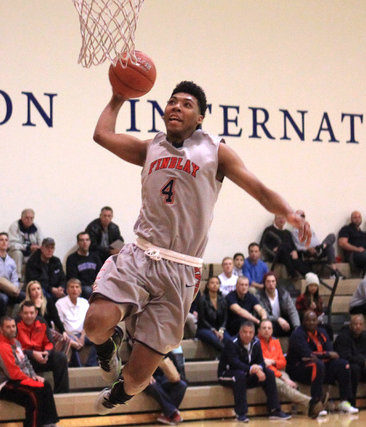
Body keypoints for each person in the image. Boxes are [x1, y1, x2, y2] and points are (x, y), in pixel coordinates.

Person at [85, 81, 310, 414]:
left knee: (135, 378)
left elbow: (259, 189)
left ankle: (122, 391)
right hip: (142, 252)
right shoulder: (152, 146)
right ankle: (110, 345)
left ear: (201, 117)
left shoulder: (215, 151)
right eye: (172, 102)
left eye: (186, 104)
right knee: (94, 324)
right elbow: (102, 135)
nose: (176, 107)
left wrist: (288, 212)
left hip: (180, 269)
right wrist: (118, 97)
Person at [0, 316, 60, 427]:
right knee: (33, 395)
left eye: (13, 326)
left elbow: (26, 363)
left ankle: (49, 423)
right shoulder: (1, 346)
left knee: (45, 385)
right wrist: (31, 380)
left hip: (15, 380)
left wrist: (34, 376)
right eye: (8, 327)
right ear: (1, 329)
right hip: (1, 385)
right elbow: (13, 373)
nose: (12, 329)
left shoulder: (16, 343)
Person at [218, 321, 291, 422]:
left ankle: (275, 410)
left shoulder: (256, 343)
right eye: (244, 332)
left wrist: (259, 368)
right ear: (239, 332)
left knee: (269, 373)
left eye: (250, 332)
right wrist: (253, 369)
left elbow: (261, 361)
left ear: (254, 333)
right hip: (227, 374)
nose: (247, 335)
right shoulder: (231, 343)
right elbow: (235, 363)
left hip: (246, 374)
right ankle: (241, 413)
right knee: (240, 374)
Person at [286, 311, 357, 414]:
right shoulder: (297, 334)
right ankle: (316, 403)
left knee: (343, 364)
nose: (311, 322)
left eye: (313, 320)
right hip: (298, 368)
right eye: (308, 320)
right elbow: (307, 354)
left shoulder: (322, 332)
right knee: (317, 365)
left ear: (317, 321)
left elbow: (330, 351)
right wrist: (326, 355)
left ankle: (344, 402)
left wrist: (323, 355)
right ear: (304, 322)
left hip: (320, 365)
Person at [257, 319, 325, 419]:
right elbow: (266, 366)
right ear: (259, 330)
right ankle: (312, 402)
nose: (267, 330)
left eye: (269, 328)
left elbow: (283, 362)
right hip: (266, 373)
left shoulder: (275, 341)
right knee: (285, 385)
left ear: (272, 330)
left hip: (278, 370)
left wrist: (274, 362)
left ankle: (310, 410)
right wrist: (284, 378)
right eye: (264, 328)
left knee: (291, 385)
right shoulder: (256, 344)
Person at [16, 301, 69, 393]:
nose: (29, 316)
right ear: (21, 314)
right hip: (25, 358)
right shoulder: (16, 324)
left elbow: (50, 343)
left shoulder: (42, 322)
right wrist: (32, 353)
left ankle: (61, 393)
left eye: (31, 313)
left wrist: (47, 353)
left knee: (61, 358)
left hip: (42, 356)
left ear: (36, 313)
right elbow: (14, 348)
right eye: (26, 313)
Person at [56, 278, 96, 367]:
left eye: (77, 287)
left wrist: (82, 336)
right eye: (72, 287)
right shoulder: (60, 303)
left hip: (83, 334)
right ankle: (79, 368)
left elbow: (87, 322)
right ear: (67, 290)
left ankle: (91, 364)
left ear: (80, 290)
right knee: (72, 343)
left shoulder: (85, 302)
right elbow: (60, 326)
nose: (75, 289)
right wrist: (74, 337)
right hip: (68, 334)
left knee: (100, 338)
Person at [143, 356, 187, 425]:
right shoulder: (141, 349)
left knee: (182, 385)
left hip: (164, 377)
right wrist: (146, 375)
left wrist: (176, 374)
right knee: (152, 385)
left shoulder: (166, 349)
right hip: (147, 379)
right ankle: (173, 412)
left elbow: (173, 365)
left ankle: (166, 414)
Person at [257, 272, 300, 337]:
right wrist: (278, 319)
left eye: (273, 281)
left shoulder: (284, 294)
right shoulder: (259, 297)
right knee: (269, 326)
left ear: (276, 282)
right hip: (271, 322)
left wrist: (297, 327)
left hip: (284, 321)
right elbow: (265, 315)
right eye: (268, 281)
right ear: (264, 283)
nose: (271, 284)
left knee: (300, 320)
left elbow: (292, 311)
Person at [196, 276, 230, 352]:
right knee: (216, 341)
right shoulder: (202, 300)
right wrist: (214, 330)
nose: (214, 285)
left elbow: (225, 319)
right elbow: (202, 320)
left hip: (219, 328)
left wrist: (221, 330)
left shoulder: (223, 300)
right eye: (212, 283)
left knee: (230, 341)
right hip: (205, 329)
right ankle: (227, 358)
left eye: (217, 283)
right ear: (207, 285)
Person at [8, 208, 44, 277]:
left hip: (30, 253)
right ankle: (17, 277)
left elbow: (41, 241)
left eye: (31, 218)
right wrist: (28, 247)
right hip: (16, 253)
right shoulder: (14, 226)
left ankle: (36, 277)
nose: (29, 220)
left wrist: (39, 247)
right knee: (17, 253)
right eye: (26, 218)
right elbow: (11, 244)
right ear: (21, 218)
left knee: (41, 252)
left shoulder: (36, 227)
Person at [65, 232, 102, 300]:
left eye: (87, 240)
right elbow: (73, 278)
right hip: (81, 286)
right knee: (88, 291)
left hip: (95, 285)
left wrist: (95, 283)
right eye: (82, 240)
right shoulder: (72, 258)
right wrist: (90, 285)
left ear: (90, 242)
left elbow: (101, 273)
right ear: (78, 243)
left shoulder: (95, 257)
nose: (85, 242)